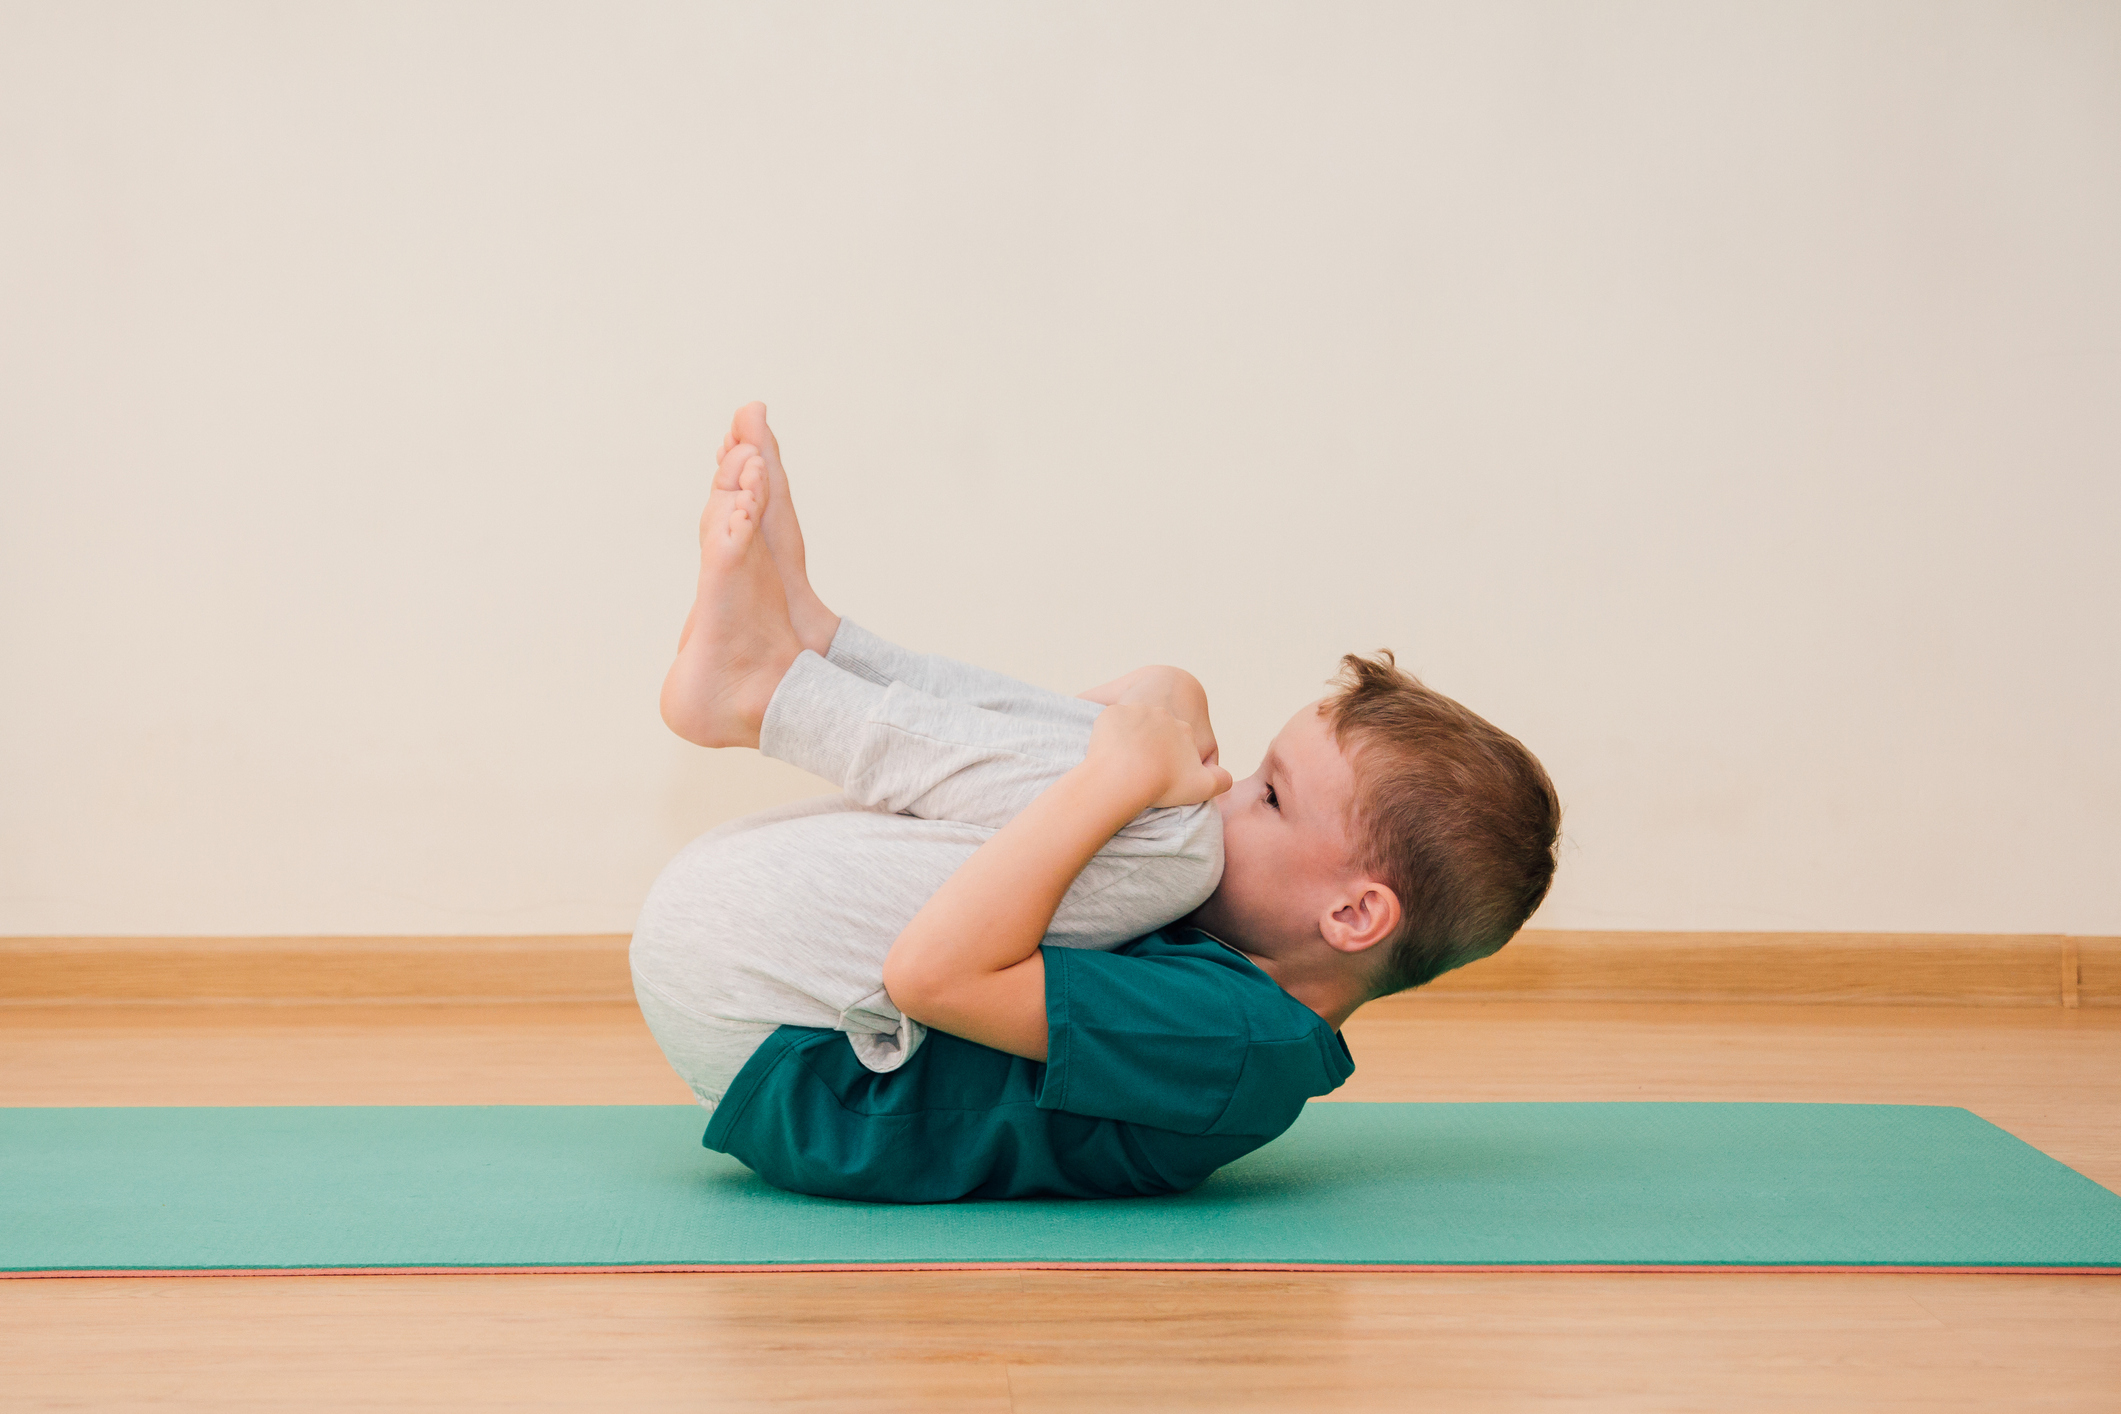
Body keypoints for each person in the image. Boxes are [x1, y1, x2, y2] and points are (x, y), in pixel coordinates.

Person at [632, 404, 1560, 1201]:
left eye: (1271, 798)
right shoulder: (1250, 991)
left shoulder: (1239, 1044)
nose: (1235, 795)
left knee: (1162, 825)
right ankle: (812, 648)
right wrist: (1155, 712)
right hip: (773, 1003)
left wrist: (1127, 774)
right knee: (1150, 777)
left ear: (1354, 914)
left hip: (804, 1063)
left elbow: (931, 978)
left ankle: (779, 689)